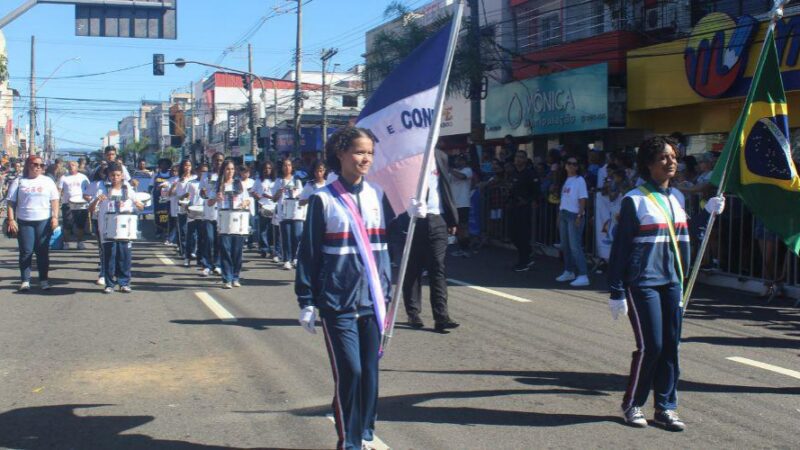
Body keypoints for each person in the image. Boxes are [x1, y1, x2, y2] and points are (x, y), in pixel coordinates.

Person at [607, 136, 725, 431]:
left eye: (673, 157)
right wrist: (616, 291)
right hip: (643, 282)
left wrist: (707, 213)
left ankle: (665, 408)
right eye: (663, 158)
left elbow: (682, 235)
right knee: (652, 346)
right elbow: (620, 249)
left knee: (671, 346)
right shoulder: (635, 200)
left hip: (673, 282)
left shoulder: (678, 198)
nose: (671, 162)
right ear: (648, 165)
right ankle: (632, 404)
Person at [295, 127, 392, 450]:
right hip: (337, 301)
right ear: (341, 153)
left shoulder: (377, 195)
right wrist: (306, 299)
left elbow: (388, 247)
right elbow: (308, 252)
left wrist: (418, 217)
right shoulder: (323, 199)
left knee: (370, 374)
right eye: (359, 152)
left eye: (370, 153)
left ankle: (364, 432)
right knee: (350, 371)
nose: (366, 159)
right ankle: (348, 443)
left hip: (373, 301)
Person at [403, 148, 460, 333]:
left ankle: (441, 316)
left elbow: (444, 187)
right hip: (414, 218)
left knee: (438, 267)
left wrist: (452, 218)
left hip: (437, 218)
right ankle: (413, 313)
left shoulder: (441, 156)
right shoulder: (408, 155)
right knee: (413, 268)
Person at [6, 155, 60, 291]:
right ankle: (25, 280)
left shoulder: (47, 181)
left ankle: (43, 280)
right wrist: (11, 220)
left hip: (43, 220)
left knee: (42, 251)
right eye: (35, 164)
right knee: (26, 251)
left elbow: (54, 200)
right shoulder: (19, 181)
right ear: (28, 165)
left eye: (41, 165)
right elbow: (11, 202)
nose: (38, 167)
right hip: (25, 221)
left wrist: (55, 217)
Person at [90, 163, 144, 293]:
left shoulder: (128, 190)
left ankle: (124, 283)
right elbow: (90, 209)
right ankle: (109, 284)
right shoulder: (101, 189)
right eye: (112, 175)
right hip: (107, 229)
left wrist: (137, 203)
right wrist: (97, 200)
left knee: (124, 257)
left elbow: (141, 206)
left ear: (122, 176)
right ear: (108, 176)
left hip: (125, 230)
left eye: (118, 175)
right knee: (109, 257)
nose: (115, 177)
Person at [208, 159, 251, 288]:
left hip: (238, 219)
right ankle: (227, 278)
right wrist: (216, 198)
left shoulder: (238, 184)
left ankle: (235, 276)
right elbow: (209, 202)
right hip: (223, 219)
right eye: (227, 169)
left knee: (237, 251)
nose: (230, 172)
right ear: (223, 170)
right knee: (225, 250)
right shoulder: (218, 185)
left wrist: (244, 203)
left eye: (232, 169)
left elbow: (247, 200)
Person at [556, 156, 591, 287]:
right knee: (565, 245)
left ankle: (583, 274)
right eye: (569, 163)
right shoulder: (566, 180)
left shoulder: (579, 180)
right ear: (565, 166)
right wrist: (559, 215)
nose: (572, 166)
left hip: (574, 214)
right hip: (564, 213)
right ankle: (569, 270)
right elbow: (564, 199)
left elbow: (583, 199)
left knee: (575, 246)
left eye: (574, 164)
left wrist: (579, 215)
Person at [506, 150, 539, 271]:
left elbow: (537, 192)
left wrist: (527, 201)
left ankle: (523, 262)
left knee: (523, 236)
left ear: (525, 160)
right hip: (513, 207)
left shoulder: (530, 174)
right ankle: (527, 255)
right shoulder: (513, 173)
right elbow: (511, 189)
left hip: (525, 209)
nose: (518, 159)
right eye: (516, 157)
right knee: (513, 236)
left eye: (521, 157)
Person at [273, 158, 306, 270]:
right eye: (285, 165)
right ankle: (286, 259)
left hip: (296, 213)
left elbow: (302, 196)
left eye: (289, 165)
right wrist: (279, 191)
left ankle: (295, 258)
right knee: (286, 237)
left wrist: (297, 195)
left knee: (297, 236)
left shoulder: (297, 181)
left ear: (292, 167)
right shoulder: (279, 181)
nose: (287, 167)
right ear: (282, 168)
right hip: (284, 213)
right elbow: (274, 199)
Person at [200, 153, 225, 276]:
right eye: (216, 160)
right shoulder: (206, 176)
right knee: (209, 239)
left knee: (219, 241)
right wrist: (203, 193)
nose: (218, 163)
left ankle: (218, 264)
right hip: (209, 213)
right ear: (212, 162)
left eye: (221, 160)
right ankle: (206, 265)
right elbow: (202, 193)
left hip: (223, 213)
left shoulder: (227, 176)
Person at [58, 161, 90, 250]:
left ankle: (80, 242)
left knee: (80, 225)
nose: (71, 167)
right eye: (69, 165)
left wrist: (89, 199)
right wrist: (57, 200)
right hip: (67, 204)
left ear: (77, 166)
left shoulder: (83, 177)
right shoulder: (63, 178)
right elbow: (59, 190)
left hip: (81, 204)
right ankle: (66, 243)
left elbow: (89, 189)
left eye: (73, 165)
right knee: (67, 224)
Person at [170, 159, 196, 266]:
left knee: (193, 232)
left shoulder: (195, 178)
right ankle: (185, 252)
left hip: (193, 208)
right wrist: (175, 186)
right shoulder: (177, 180)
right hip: (181, 208)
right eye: (185, 165)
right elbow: (171, 194)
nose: (187, 167)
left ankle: (193, 251)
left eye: (189, 165)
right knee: (183, 231)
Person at [449, 154, 473, 257]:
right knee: (457, 227)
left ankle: (466, 249)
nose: (459, 162)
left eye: (461, 160)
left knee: (464, 226)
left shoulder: (468, 170)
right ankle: (461, 248)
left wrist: (449, 170)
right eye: (457, 160)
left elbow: (462, 177)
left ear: (465, 162)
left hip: (463, 203)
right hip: (454, 204)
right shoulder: (452, 173)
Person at [253, 161, 277, 258]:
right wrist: (256, 196)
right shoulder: (259, 180)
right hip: (263, 206)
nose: (267, 170)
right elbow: (253, 191)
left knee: (272, 229)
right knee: (263, 229)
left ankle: (272, 248)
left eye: (269, 168)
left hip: (273, 207)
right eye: (265, 168)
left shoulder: (276, 181)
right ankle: (264, 248)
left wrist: (270, 197)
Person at [152, 159, 173, 243]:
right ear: (159, 165)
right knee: (158, 214)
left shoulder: (171, 175)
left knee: (168, 215)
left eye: (166, 164)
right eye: (162, 164)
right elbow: (151, 186)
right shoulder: (155, 175)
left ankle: (167, 232)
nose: (164, 166)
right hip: (158, 199)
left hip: (168, 199)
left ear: (168, 165)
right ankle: (159, 231)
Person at [239, 165, 258, 250]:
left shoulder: (252, 182)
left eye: (247, 172)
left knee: (251, 223)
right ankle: (243, 241)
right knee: (243, 223)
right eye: (244, 172)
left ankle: (251, 241)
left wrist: (253, 193)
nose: (246, 174)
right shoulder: (238, 182)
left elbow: (256, 192)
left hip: (251, 204)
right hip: (242, 205)